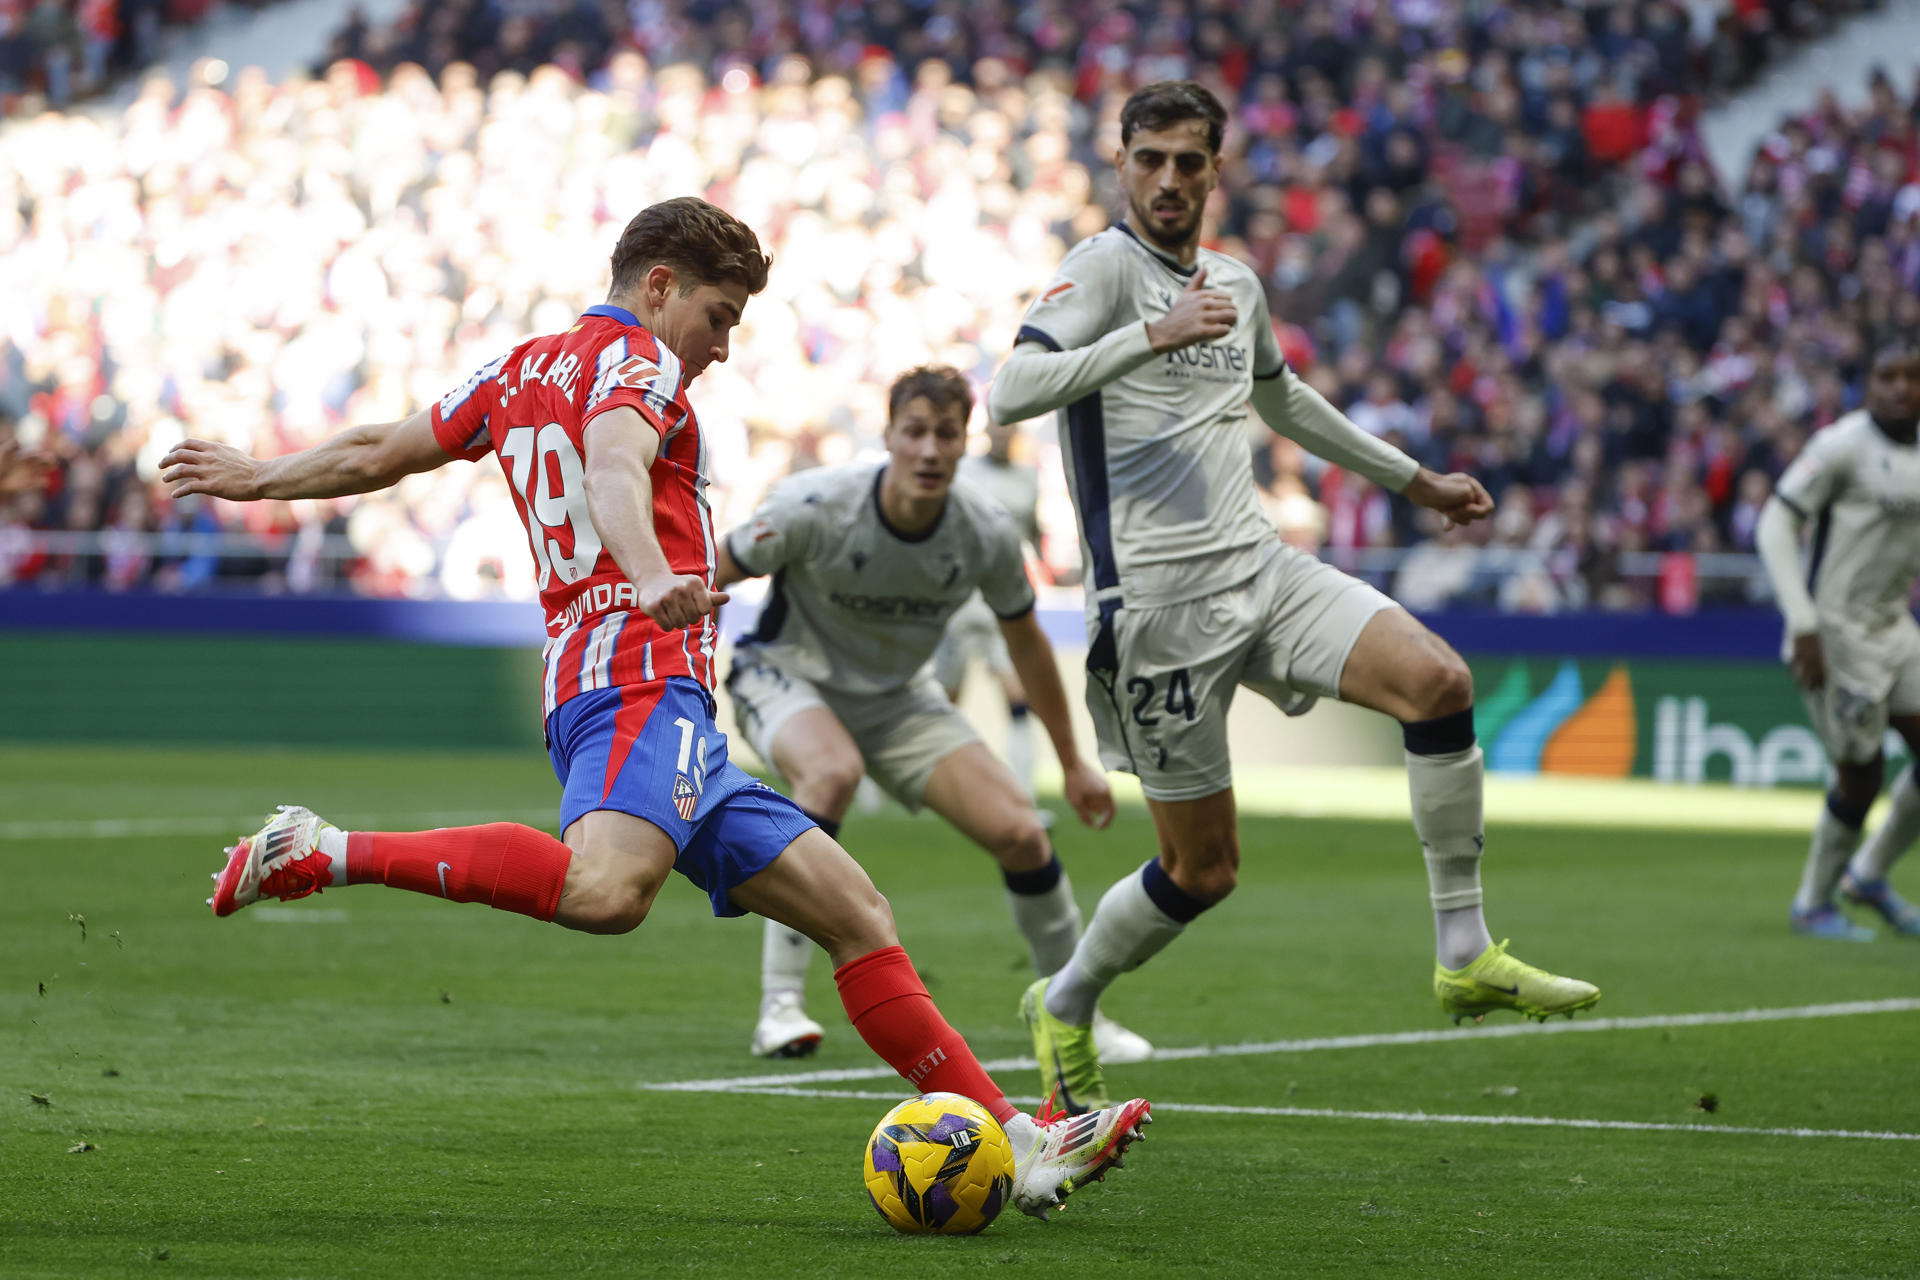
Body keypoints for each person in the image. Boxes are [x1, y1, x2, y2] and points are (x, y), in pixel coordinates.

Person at [159, 196, 1150, 1214]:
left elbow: (380, 451)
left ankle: (1024, 1140)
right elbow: (615, 467)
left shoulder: (518, 368)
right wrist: (643, 572)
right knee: (605, 891)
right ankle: (322, 848)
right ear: (660, 286)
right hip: (635, 673)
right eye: (718, 316)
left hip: (643, 692)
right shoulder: (639, 368)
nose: (720, 346)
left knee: (856, 913)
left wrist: (257, 475)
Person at [986, 82, 1599, 1113]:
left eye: (1190, 160)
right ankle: (1068, 997)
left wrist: (1415, 478)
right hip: (1157, 610)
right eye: (1150, 159)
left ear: (1218, 170)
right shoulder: (1099, 271)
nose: (1170, 179)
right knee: (1204, 869)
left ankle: (1463, 951)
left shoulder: (1236, 281)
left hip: (1262, 569)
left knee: (1438, 681)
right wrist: (1153, 335)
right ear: (1122, 163)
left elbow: (1284, 398)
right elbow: (1008, 391)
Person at [716, 365, 1151, 1065]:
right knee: (829, 775)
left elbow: (1027, 643)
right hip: (787, 674)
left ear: (963, 441)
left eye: (945, 434)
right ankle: (780, 1006)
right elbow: (713, 569)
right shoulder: (816, 503)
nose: (928, 450)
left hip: (898, 698)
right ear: (886, 434)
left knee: (1019, 831)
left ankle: (1076, 1015)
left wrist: (1073, 763)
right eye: (913, 432)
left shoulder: (984, 530)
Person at [1756, 343, 1920, 940]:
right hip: (1836, 633)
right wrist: (1802, 621)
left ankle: (1868, 876)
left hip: (1896, 626)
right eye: (1888, 375)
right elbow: (1774, 523)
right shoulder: (1840, 447)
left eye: (1912, 376)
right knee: (1862, 775)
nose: (1901, 387)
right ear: (1868, 385)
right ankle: (1812, 902)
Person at [932, 418, 1044, 799]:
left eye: (1009, 428)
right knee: (946, 700)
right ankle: (935, 783)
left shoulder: (1029, 478)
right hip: (960, 602)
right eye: (996, 427)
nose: (1001, 434)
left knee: (1017, 695)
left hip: (1004, 602)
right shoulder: (963, 471)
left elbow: (1032, 534)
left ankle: (1024, 788)